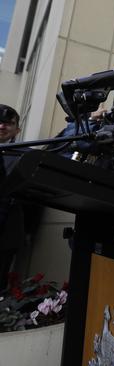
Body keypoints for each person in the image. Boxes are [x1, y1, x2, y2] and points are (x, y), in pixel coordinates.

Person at [0, 105, 27, 290]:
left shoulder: (24, 156)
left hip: (5, 232)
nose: (2, 126)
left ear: (17, 130)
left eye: (9, 123)